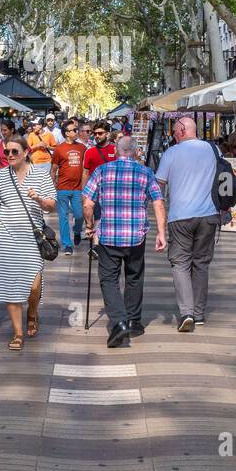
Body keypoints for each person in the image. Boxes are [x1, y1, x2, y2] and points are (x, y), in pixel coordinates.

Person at [0, 135, 57, 351]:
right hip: (4, 238)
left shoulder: (40, 175)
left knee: (34, 284)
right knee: (10, 286)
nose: (9, 155)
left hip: (31, 238)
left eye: (14, 151)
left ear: (26, 152)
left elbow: (51, 206)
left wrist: (38, 198)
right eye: (6, 152)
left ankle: (32, 311)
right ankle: (18, 333)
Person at [83, 136, 167, 347]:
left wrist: (89, 226)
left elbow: (87, 204)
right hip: (136, 236)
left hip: (109, 235)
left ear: (116, 151)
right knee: (134, 277)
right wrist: (161, 233)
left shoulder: (102, 171)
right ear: (136, 152)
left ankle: (119, 321)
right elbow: (158, 203)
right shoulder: (146, 172)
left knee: (108, 279)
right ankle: (133, 321)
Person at [154, 116, 221, 331]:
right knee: (201, 263)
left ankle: (187, 313)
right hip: (209, 215)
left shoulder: (171, 153)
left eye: (174, 131)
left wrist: (160, 224)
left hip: (180, 217)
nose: (173, 135)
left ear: (182, 130)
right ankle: (199, 313)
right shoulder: (213, 149)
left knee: (180, 263)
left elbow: (159, 186)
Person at [51, 120, 87, 255]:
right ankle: (67, 244)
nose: (77, 132)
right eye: (74, 130)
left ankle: (77, 231)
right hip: (62, 187)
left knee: (79, 214)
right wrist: (52, 184)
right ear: (67, 133)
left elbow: (86, 168)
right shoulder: (59, 149)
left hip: (78, 188)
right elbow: (53, 169)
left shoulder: (82, 148)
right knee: (63, 217)